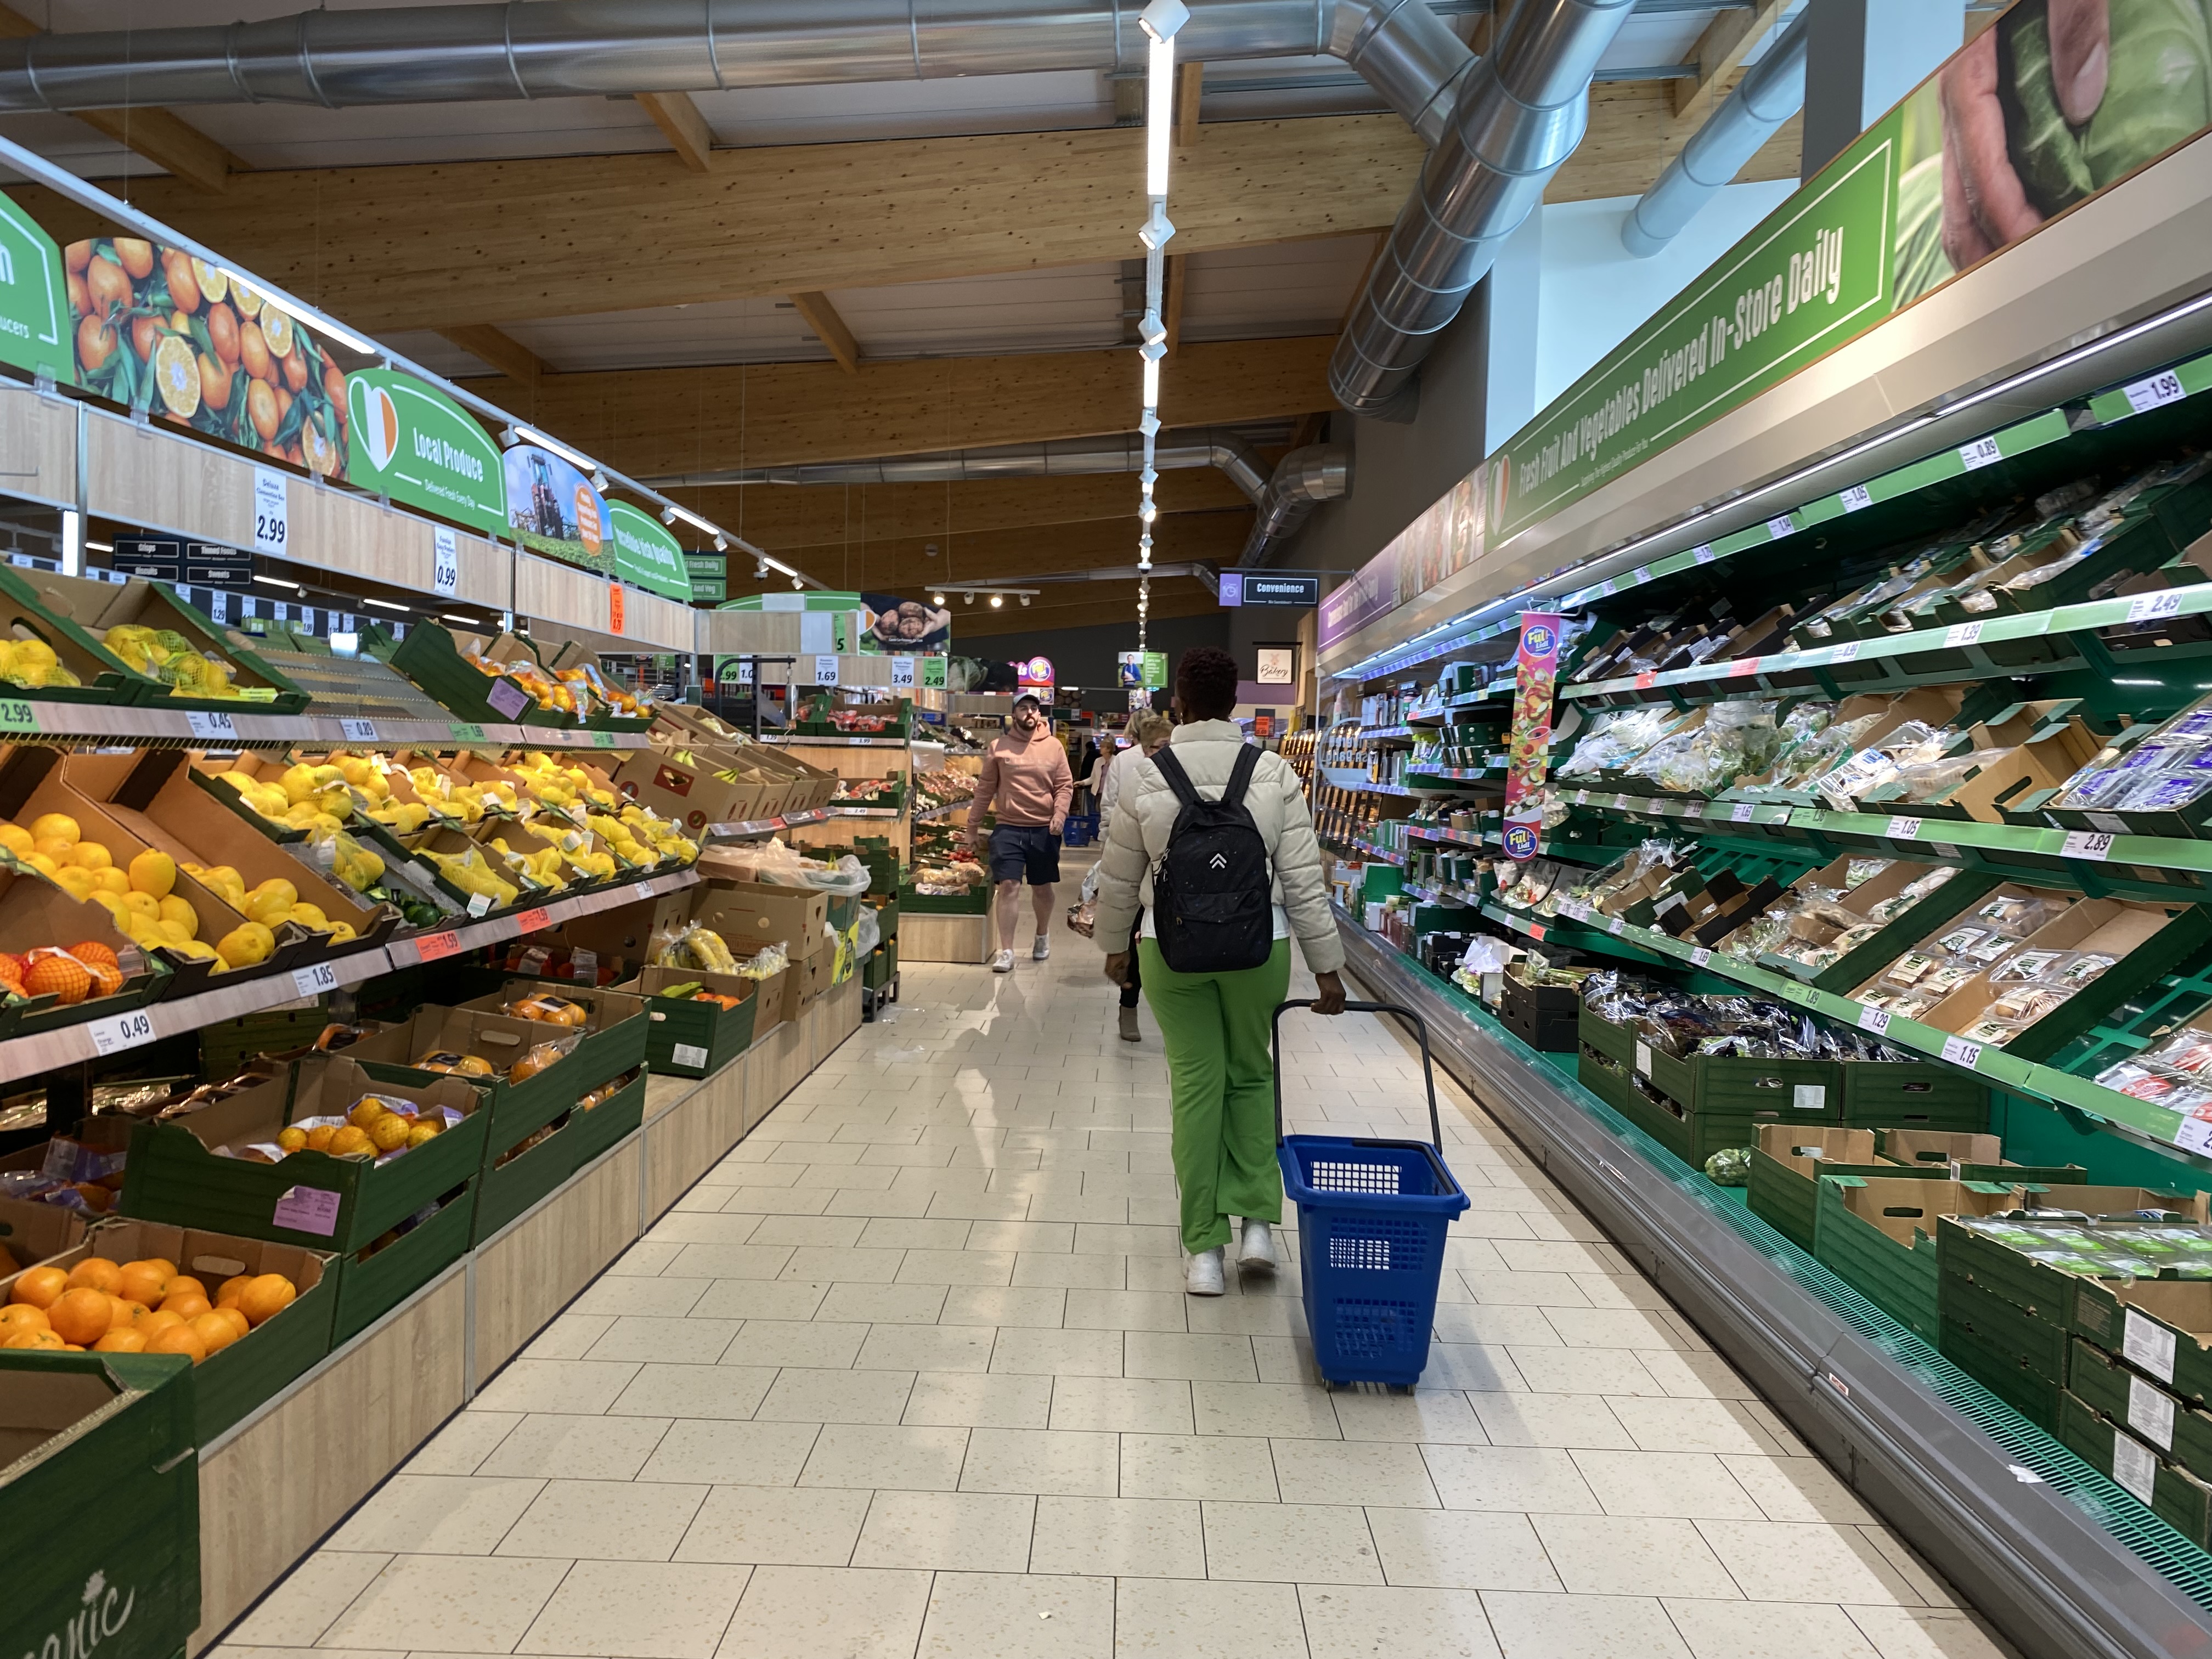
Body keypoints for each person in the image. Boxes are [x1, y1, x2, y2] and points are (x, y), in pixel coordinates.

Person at [1092, 647, 1346, 1296]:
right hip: (1263, 945)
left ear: (1178, 703)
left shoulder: (1149, 775)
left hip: (1170, 949)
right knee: (1251, 1075)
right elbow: (1301, 880)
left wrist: (1114, 947)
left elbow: (1122, 876)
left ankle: (1203, 1249)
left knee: (1196, 1087)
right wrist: (1328, 969)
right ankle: (1259, 1224)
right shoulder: (1273, 771)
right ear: (1236, 705)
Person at [966, 693, 1074, 974]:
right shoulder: (998, 747)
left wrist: (1059, 815)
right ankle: (1007, 951)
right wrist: (972, 826)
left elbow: (1064, 785)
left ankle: (1041, 935)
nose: (1029, 712)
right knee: (1009, 887)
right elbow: (985, 789)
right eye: (1023, 708)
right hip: (1008, 827)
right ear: (1013, 714)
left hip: (1044, 829)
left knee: (1042, 887)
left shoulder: (1054, 747)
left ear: (1040, 714)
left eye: (1034, 708)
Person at [1099, 712, 1172, 1045]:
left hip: (1170, 872)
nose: (1167, 751)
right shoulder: (1126, 764)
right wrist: (1107, 844)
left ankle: (1170, 1012)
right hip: (1133, 861)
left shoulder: (1183, 769)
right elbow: (1110, 803)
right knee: (1133, 937)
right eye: (1160, 746)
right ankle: (1128, 1006)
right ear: (1145, 747)